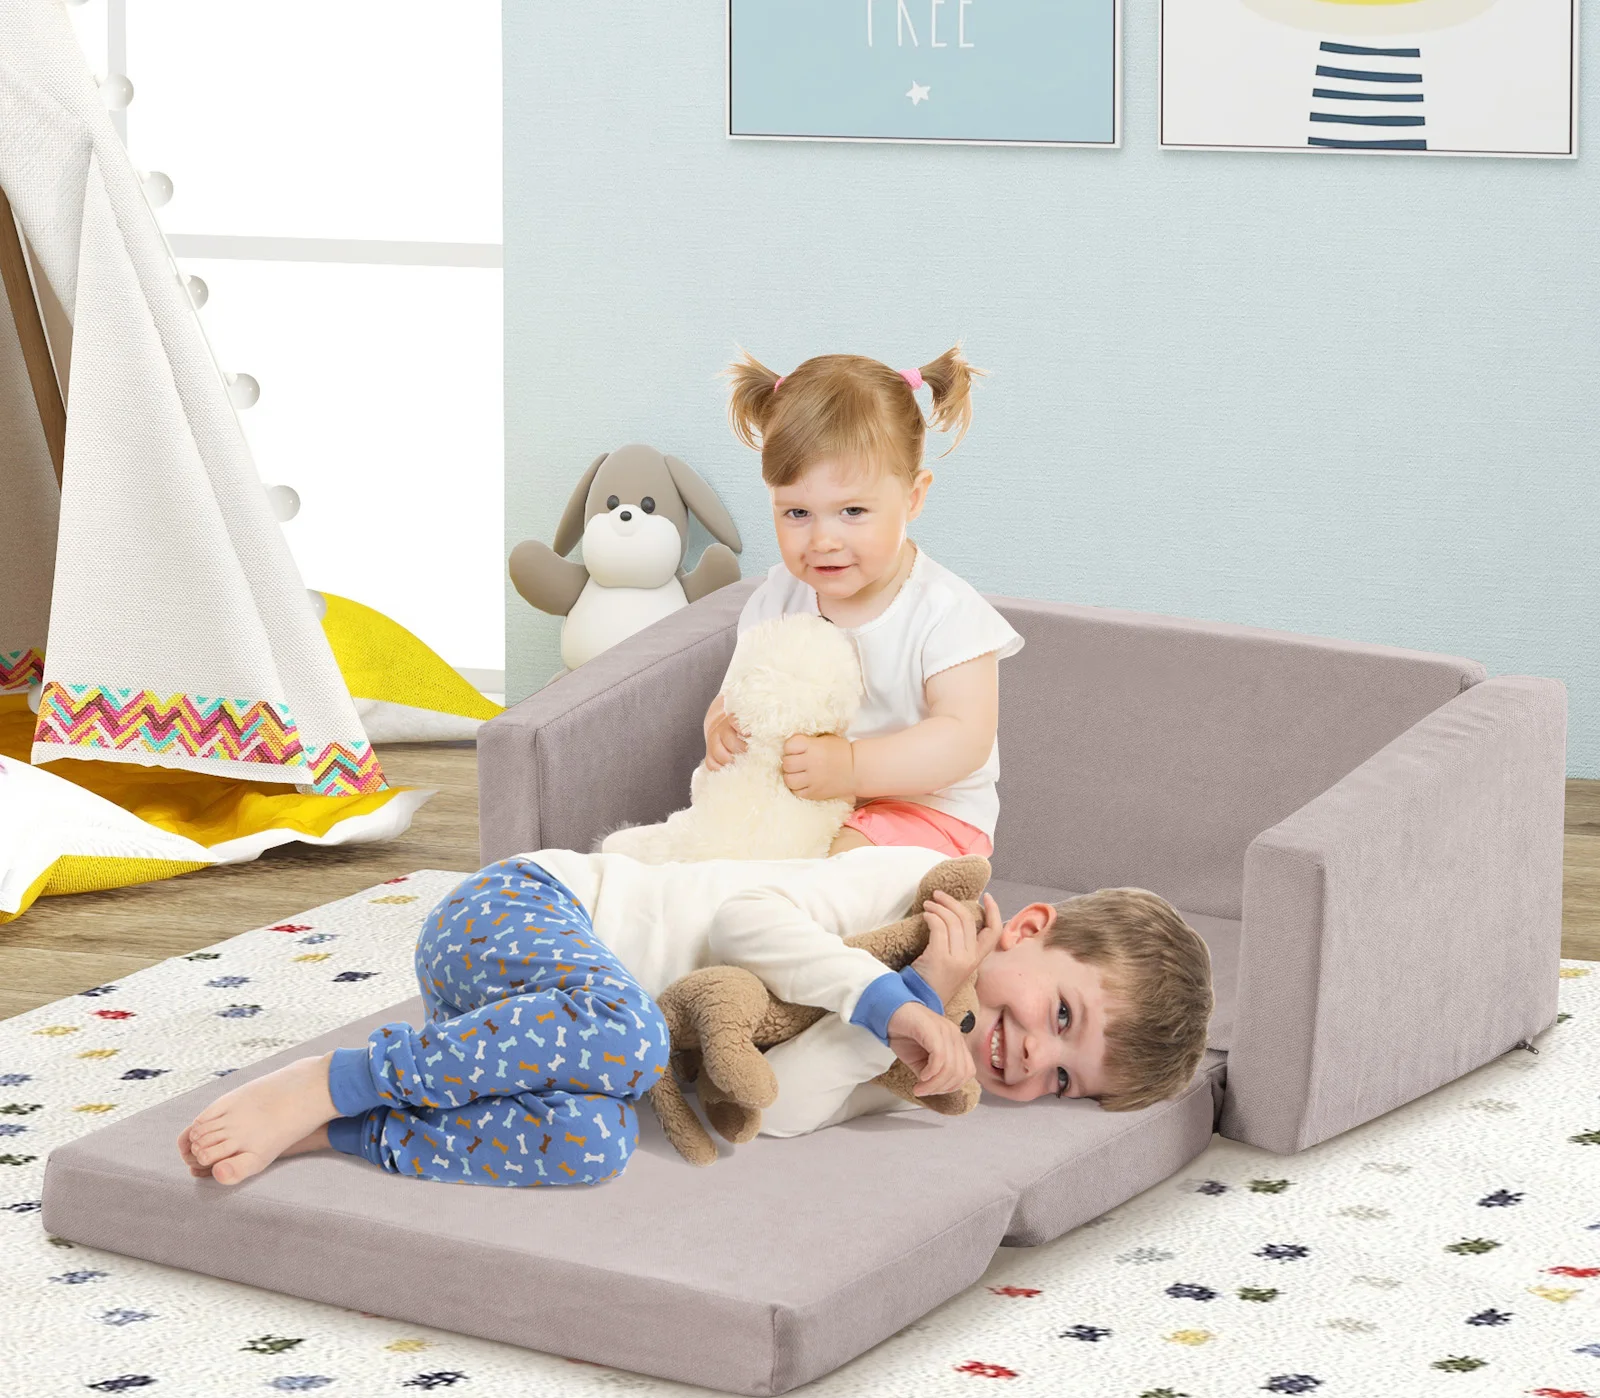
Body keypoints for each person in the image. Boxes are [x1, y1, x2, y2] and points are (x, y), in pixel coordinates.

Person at [177, 847, 1213, 1188]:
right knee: (630, 1036)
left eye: (1064, 1074)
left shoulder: (915, 1070)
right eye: (1062, 1012)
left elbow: (776, 1109)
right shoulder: (912, 891)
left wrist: (887, 1036)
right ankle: (332, 1079)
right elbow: (743, 920)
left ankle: (343, 1130)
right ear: (1027, 929)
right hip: (521, 913)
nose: (1033, 1054)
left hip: (517, 1030)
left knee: (593, 1145)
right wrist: (891, 990)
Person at [704, 346, 1022, 860]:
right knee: (722, 844)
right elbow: (739, 692)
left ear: (913, 498)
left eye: (852, 511)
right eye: (797, 513)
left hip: (928, 813)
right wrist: (721, 728)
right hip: (809, 804)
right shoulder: (778, 596)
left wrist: (852, 766)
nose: (823, 540)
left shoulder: (946, 612)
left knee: (840, 864)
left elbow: (965, 739)